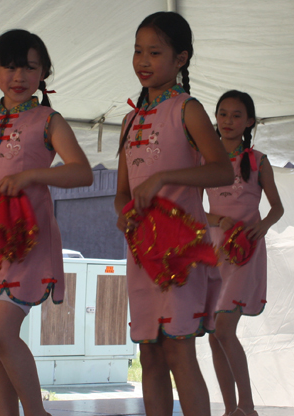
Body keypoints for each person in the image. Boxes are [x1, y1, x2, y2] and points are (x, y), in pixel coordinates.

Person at [0, 29, 93, 416]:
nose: (19, 76)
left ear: (43, 72)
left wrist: (32, 176)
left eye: (29, 67)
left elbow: (82, 172)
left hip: (29, 241)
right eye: (10, 67)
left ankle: (37, 412)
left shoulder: (48, 119)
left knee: (0, 333)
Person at [114, 12, 234, 416]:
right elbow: (121, 193)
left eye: (154, 52)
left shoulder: (188, 109)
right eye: (137, 51)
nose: (143, 61)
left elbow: (221, 169)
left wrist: (164, 177)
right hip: (142, 252)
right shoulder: (130, 119)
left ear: (180, 59)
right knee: (149, 354)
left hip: (181, 250)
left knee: (179, 348)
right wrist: (122, 213)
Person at [205, 91, 283, 416]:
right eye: (223, 114)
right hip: (214, 251)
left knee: (223, 329)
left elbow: (277, 208)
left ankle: (247, 407)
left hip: (245, 252)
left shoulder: (259, 160)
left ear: (249, 121)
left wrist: (263, 226)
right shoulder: (205, 159)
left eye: (236, 115)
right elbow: (192, 207)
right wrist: (218, 220)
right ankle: (229, 409)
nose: (228, 121)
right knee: (212, 336)